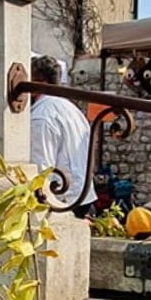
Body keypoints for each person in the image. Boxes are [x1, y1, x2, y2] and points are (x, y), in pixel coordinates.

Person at [29, 55, 96, 217]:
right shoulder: (71, 109)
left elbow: (41, 166)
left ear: (39, 83)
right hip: (83, 195)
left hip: (62, 200)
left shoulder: (42, 116)